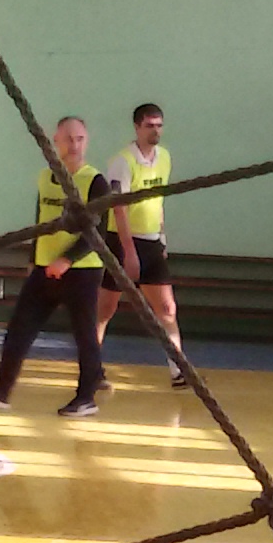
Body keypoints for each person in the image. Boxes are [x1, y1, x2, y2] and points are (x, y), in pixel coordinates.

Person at [0, 115, 111, 418]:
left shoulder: (94, 181)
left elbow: (99, 232)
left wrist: (67, 259)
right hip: (45, 269)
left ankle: (86, 397)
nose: (74, 145)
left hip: (82, 271)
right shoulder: (46, 177)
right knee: (20, 327)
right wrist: (34, 260)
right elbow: (41, 221)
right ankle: (1, 389)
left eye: (80, 139)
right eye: (68, 139)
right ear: (55, 140)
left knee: (84, 334)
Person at [99, 101, 185, 384]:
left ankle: (178, 370)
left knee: (167, 309)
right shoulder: (122, 162)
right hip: (122, 242)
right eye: (149, 126)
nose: (155, 131)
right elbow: (118, 208)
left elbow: (158, 201)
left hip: (151, 242)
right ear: (137, 127)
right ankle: (92, 368)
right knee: (105, 310)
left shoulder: (165, 157)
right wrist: (129, 252)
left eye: (159, 126)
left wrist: (162, 237)